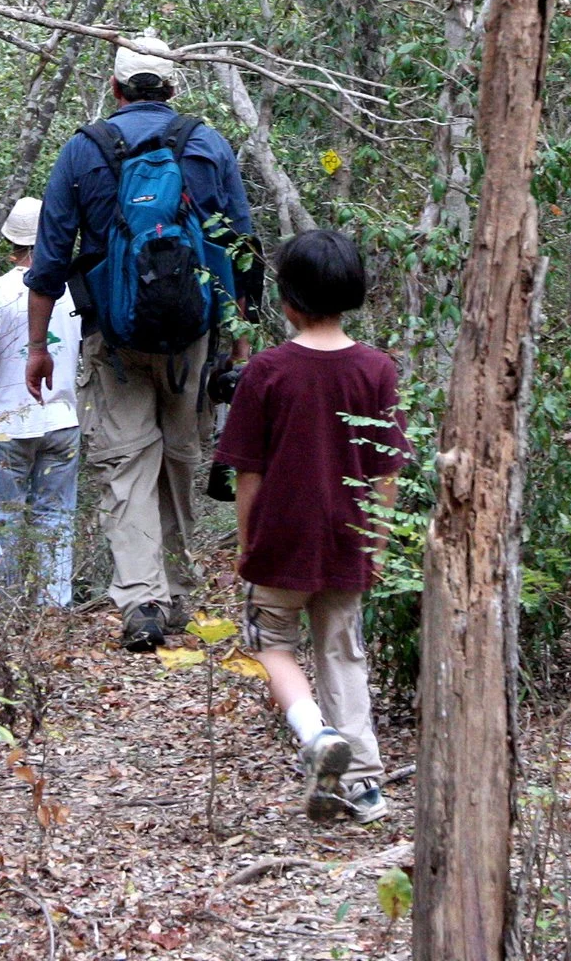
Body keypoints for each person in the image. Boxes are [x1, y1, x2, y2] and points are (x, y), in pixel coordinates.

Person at [24, 37, 258, 652]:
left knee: (127, 462)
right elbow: (243, 248)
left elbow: (50, 258)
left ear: (116, 87)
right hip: (193, 336)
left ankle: (141, 599)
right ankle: (177, 593)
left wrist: (36, 346)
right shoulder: (208, 144)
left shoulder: (84, 150)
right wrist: (238, 345)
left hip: (115, 334)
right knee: (179, 455)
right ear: (172, 88)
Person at [212, 230, 405, 824]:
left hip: (282, 541)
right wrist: (377, 543)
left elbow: (248, 473)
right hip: (350, 539)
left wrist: (248, 545)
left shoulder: (267, 371)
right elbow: (387, 472)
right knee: (343, 653)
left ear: (287, 299)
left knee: (271, 643)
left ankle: (314, 734)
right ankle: (366, 785)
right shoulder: (377, 370)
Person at [0, 197, 83, 609]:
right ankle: (53, 606)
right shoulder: (72, 289)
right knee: (55, 515)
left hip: (7, 422)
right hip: (63, 418)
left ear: (11, 242)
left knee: (3, 517)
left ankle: (1, 610)